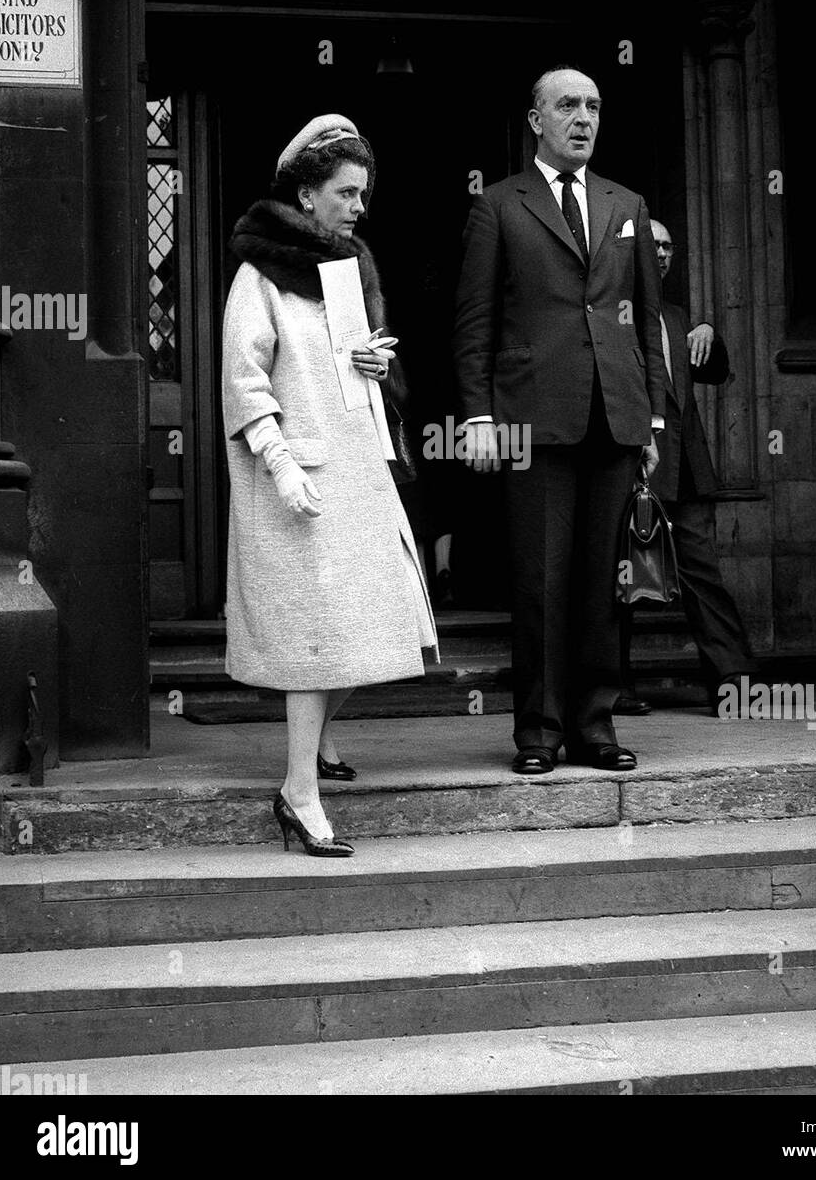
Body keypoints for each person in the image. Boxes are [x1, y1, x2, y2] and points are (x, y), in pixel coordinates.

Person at [222, 113, 438, 856]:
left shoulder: (350, 274)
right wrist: (280, 465)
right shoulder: (261, 274)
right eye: (346, 193)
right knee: (315, 640)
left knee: (386, 619)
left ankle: (315, 750)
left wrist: (381, 371)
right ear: (306, 196)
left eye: (363, 194)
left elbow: (358, 375)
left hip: (359, 473)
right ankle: (298, 794)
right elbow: (244, 380)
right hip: (300, 482)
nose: (358, 206)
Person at [454, 66, 666, 774]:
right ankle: (539, 733)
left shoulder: (625, 202)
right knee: (541, 580)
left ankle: (594, 727)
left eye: (594, 106)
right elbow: (475, 321)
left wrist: (654, 425)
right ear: (536, 120)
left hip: (617, 417)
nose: (584, 117)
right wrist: (478, 415)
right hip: (531, 420)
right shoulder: (498, 206)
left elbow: (644, 323)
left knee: (604, 582)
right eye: (568, 105)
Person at [648, 219, 753, 713]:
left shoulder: (676, 317)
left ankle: (733, 684)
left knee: (703, 577)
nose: (664, 253)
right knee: (618, 580)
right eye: (654, 245)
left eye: (669, 246)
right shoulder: (606, 316)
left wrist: (709, 328)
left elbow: (714, 372)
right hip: (631, 469)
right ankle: (613, 689)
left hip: (685, 470)